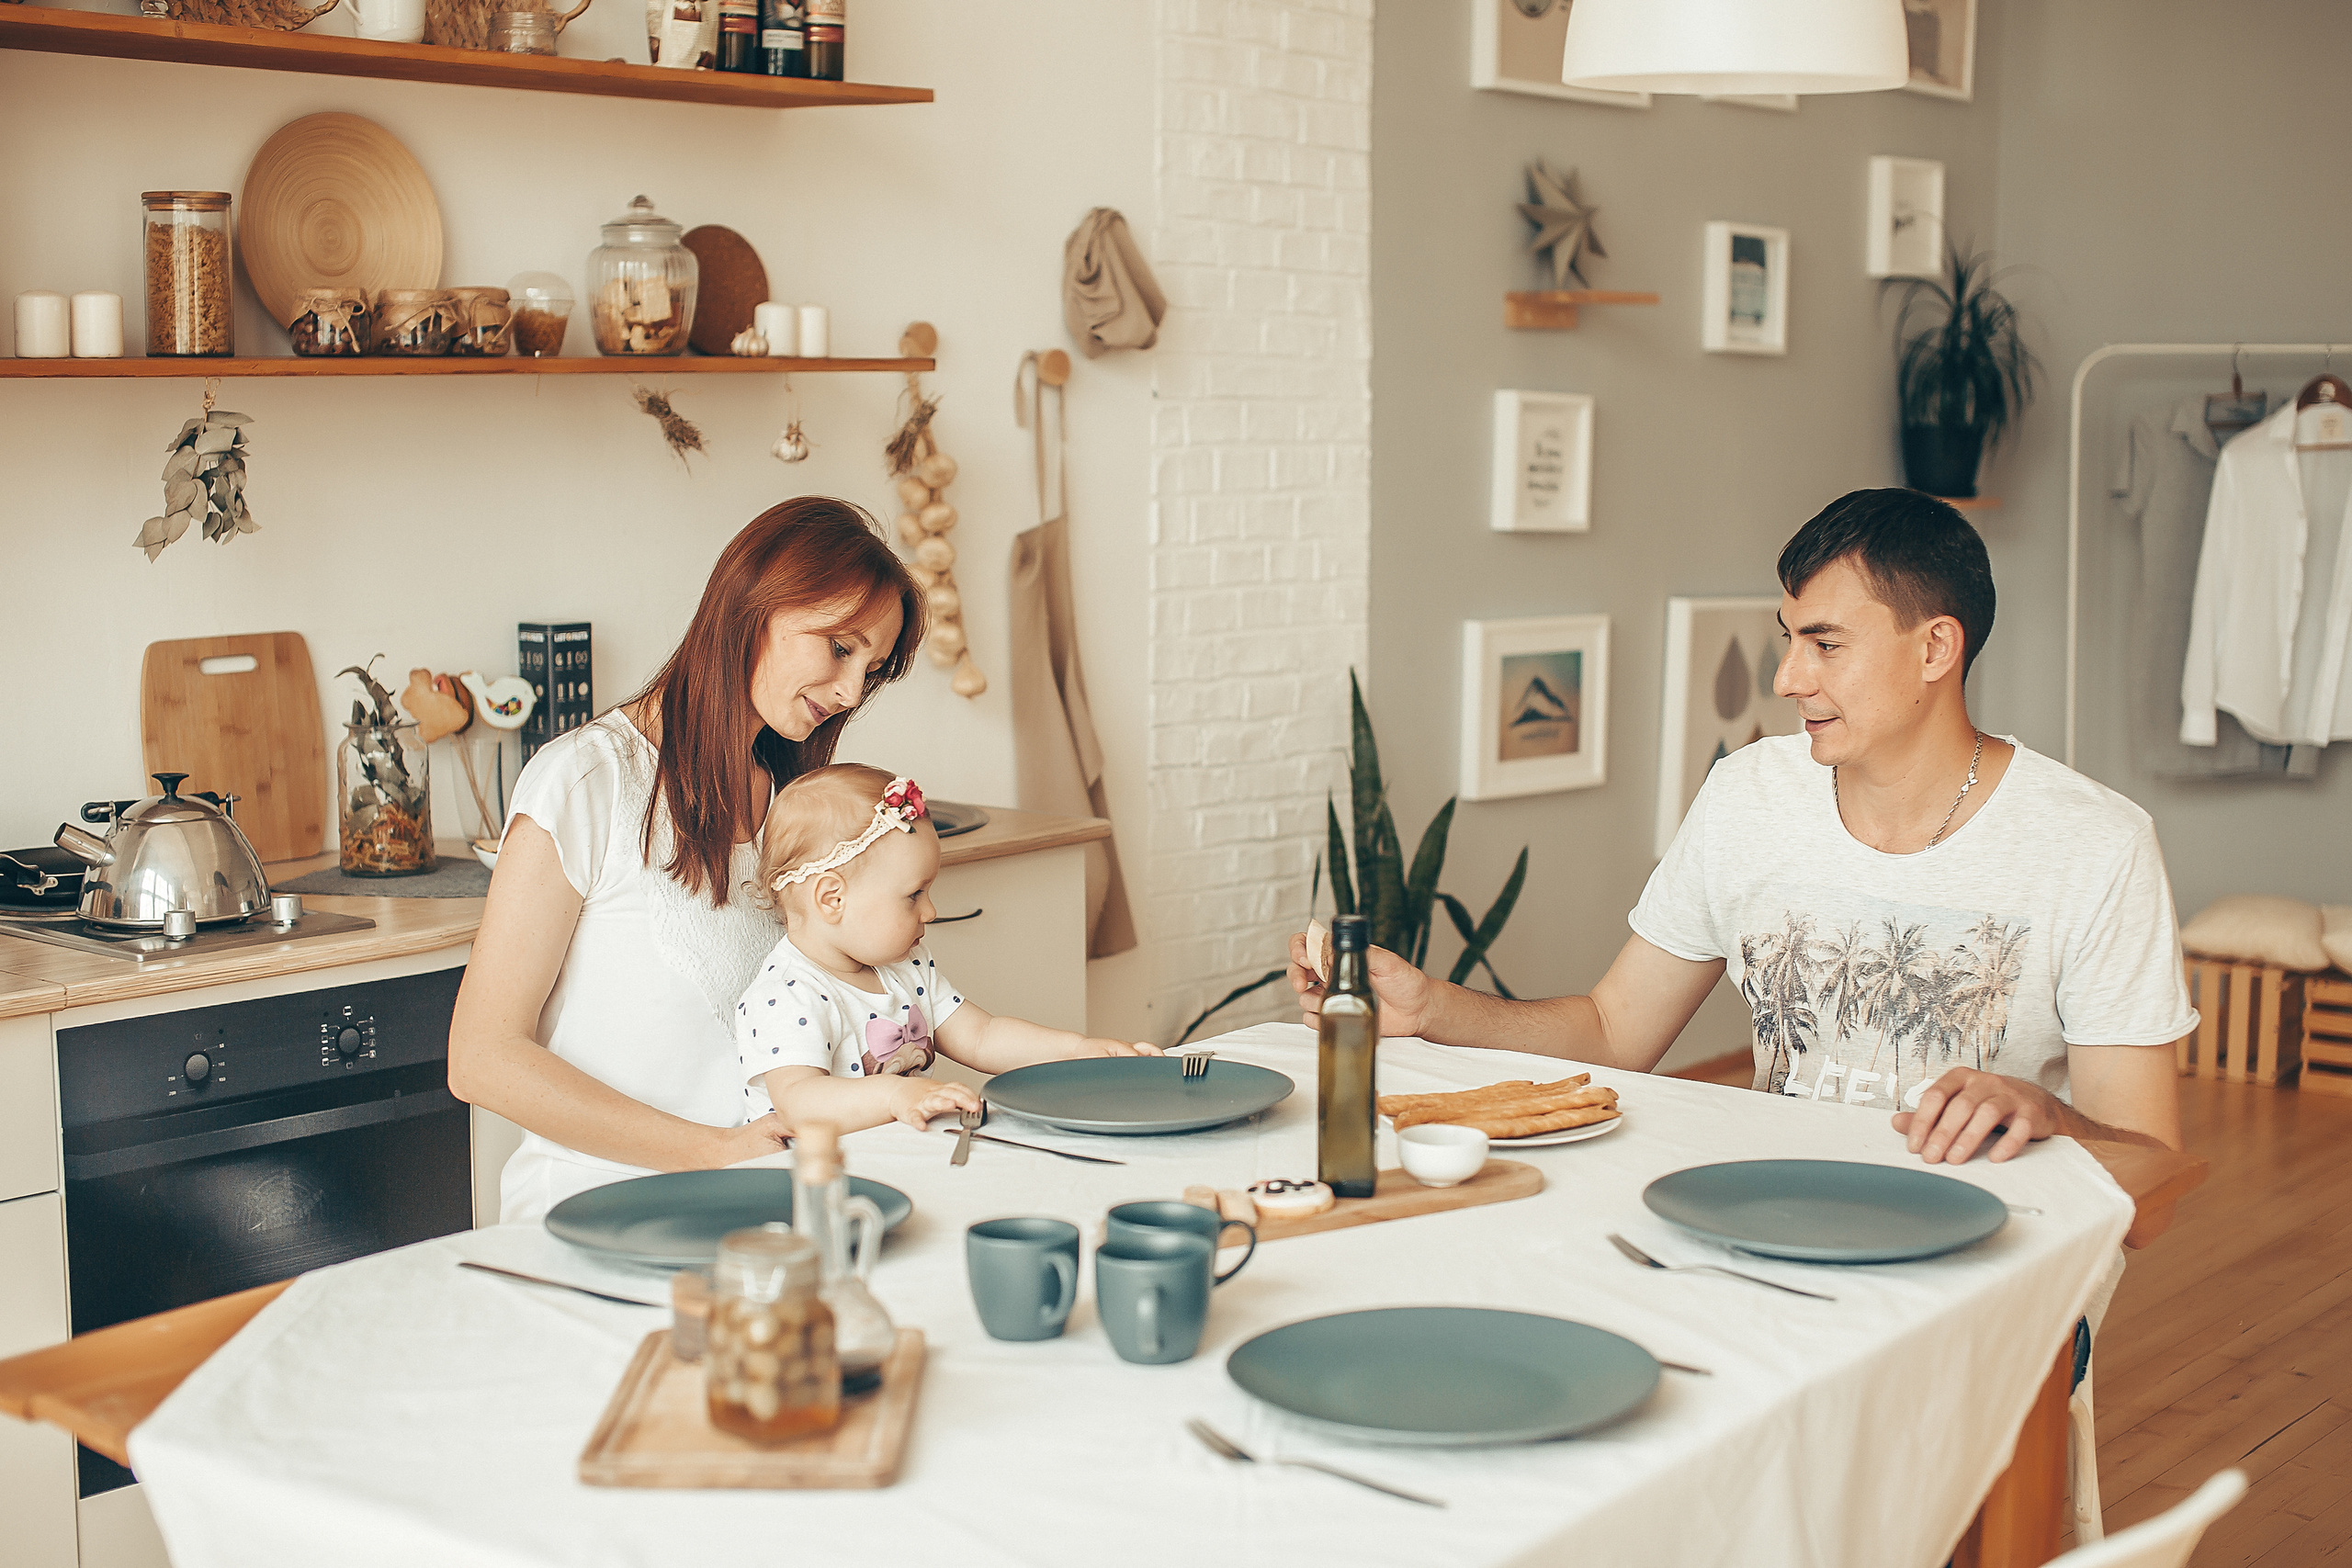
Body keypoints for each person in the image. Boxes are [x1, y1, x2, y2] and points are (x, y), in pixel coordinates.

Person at [1290, 489, 2194, 1166]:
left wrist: (2048, 1115)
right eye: (1787, 638)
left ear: (1934, 648)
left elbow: (2149, 1174)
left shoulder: (2095, 847)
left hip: (1993, 1271)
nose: (1788, 678)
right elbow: (1613, 1032)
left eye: (1825, 644)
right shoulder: (1748, 794)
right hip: (1765, 1223)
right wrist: (1430, 1008)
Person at [447, 498, 926, 1223]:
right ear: (754, 606)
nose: (853, 690)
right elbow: (483, 1056)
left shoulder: (797, 805)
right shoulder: (588, 779)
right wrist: (716, 1151)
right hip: (602, 1213)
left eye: (873, 668)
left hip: (766, 1209)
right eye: (839, 648)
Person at [733, 764, 1157, 1134]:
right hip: (815, 1178)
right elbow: (799, 1101)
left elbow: (982, 1036)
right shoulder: (786, 995)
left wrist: (1075, 1052)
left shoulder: (905, 966)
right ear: (832, 899)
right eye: (914, 895)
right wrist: (895, 1095)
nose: (930, 911)